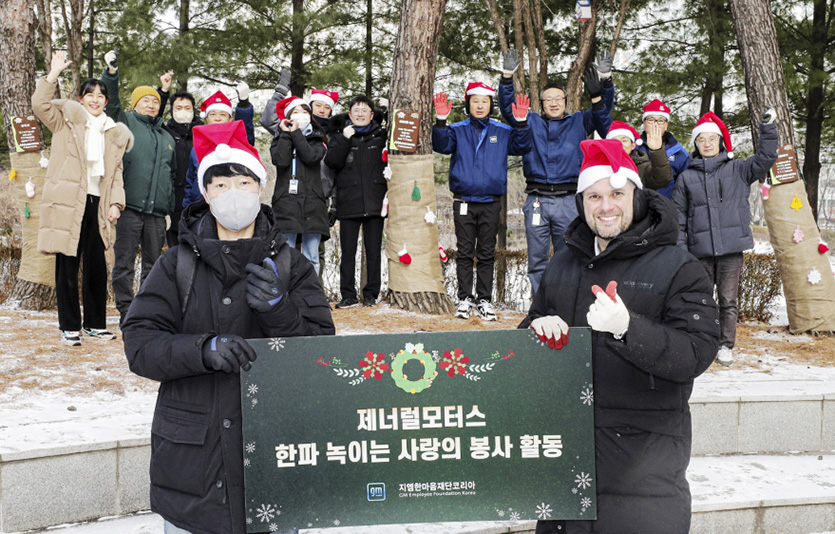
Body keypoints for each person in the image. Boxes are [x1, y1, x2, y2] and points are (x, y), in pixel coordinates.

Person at [122, 120, 334, 534]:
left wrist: (280, 311)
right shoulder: (176, 263)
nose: (232, 193)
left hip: (273, 456)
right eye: (219, 185)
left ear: (260, 187)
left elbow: (321, 354)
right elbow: (140, 343)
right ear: (205, 194)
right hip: (192, 465)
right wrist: (201, 350)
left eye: (242, 181)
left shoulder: (293, 266)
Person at [522, 138, 720, 534]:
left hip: (644, 469)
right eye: (594, 195)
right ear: (581, 202)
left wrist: (628, 328)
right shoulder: (562, 262)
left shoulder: (679, 266)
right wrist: (535, 331)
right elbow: (530, 331)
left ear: (638, 196)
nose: (605, 205)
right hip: (568, 459)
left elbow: (696, 353)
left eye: (617, 193)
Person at [498, 48, 615, 296]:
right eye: (548, 99)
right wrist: (506, 78)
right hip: (537, 200)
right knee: (537, 260)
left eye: (558, 99)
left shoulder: (579, 121)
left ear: (565, 102)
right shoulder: (531, 122)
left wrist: (604, 85)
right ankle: (540, 307)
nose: (553, 103)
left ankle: (567, 303)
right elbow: (508, 111)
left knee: (570, 257)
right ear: (541, 103)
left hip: (568, 202)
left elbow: (604, 120)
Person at [32, 51, 130, 346]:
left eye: (101, 95)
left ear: (106, 101)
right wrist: (53, 74)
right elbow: (39, 104)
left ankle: (95, 325)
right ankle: (69, 327)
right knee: (68, 264)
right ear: (81, 97)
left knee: (97, 265)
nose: (96, 99)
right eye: (90, 94)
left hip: (97, 204)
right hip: (68, 202)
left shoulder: (114, 133)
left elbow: (116, 174)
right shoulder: (66, 121)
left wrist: (115, 203)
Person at [672, 108, 778, 366]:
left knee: (729, 301)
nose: (707, 143)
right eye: (701, 139)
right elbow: (678, 218)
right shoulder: (686, 177)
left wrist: (768, 130)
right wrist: (682, 250)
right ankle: (703, 341)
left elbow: (766, 157)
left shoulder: (739, 169)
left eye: (711, 138)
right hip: (700, 251)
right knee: (701, 300)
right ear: (695, 144)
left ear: (720, 141)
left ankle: (725, 345)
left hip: (731, 250)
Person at [432, 82, 532, 321]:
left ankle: (485, 300)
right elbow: (442, 145)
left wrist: (521, 123)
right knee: (465, 252)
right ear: (468, 104)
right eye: (475, 101)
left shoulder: (502, 130)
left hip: (491, 201)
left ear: (490, 105)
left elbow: (521, 146)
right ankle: (465, 298)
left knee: (487, 253)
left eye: (484, 101)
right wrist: (440, 121)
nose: (480, 105)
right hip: (463, 200)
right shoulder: (457, 130)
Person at [101, 50, 176, 325]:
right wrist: (111, 74)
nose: (151, 105)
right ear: (135, 105)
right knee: (123, 265)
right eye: (145, 100)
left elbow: (172, 174)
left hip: (157, 214)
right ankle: (125, 312)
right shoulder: (126, 122)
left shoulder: (166, 136)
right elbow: (111, 105)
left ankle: (147, 313)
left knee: (154, 268)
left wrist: (167, 208)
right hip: (129, 208)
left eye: (155, 102)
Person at [324, 95, 388, 308]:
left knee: (373, 252)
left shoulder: (380, 136)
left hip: (375, 202)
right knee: (348, 253)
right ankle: (348, 295)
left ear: (372, 115)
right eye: (356, 110)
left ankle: (371, 294)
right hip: (348, 202)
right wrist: (343, 138)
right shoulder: (340, 136)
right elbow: (332, 161)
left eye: (365, 110)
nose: (360, 114)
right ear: (349, 115)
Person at [270, 96, 329, 274]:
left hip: (313, 204)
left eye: (305, 112)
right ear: (288, 116)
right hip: (286, 204)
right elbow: (280, 160)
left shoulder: (318, 139)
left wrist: (296, 134)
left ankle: (311, 295)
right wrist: (287, 134)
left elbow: (311, 157)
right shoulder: (279, 138)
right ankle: (288, 296)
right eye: (296, 112)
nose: (301, 115)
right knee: (286, 255)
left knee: (312, 257)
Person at [182, 88, 256, 208]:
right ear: (206, 118)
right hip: (200, 205)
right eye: (213, 114)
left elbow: (245, 130)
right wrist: (187, 208)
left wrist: (244, 105)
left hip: (230, 205)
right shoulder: (197, 146)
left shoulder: (236, 141)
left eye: (222, 114)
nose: (217, 118)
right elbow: (190, 182)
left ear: (230, 118)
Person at [158, 87, 202, 247]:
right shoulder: (164, 133)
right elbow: (154, 115)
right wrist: (163, 92)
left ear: (193, 110)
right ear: (171, 111)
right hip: (172, 204)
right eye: (178, 108)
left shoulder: (202, 133)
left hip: (199, 204)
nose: (183, 111)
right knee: (174, 254)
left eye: (187, 108)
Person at [635, 99, 689, 198]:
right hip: (637, 207)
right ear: (644, 122)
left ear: (666, 125)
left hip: (665, 207)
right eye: (651, 119)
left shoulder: (680, 153)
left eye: (661, 120)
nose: (656, 125)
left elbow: (685, 188)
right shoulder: (633, 146)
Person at [605, 120, 672, 190]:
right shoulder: (599, 165)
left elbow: (662, 179)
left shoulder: (644, 167)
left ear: (633, 145)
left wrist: (657, 151)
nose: (619, 144)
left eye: (624, 140)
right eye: (614, 141)